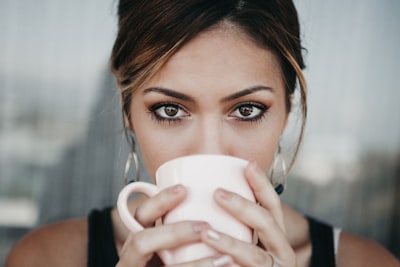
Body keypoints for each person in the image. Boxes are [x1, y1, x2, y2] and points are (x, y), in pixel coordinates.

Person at [5, 0, 400, 266]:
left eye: (247, 110)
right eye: (170, 110)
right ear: (127, 114)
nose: (209, 149)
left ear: (286, 113)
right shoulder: (47, 257)